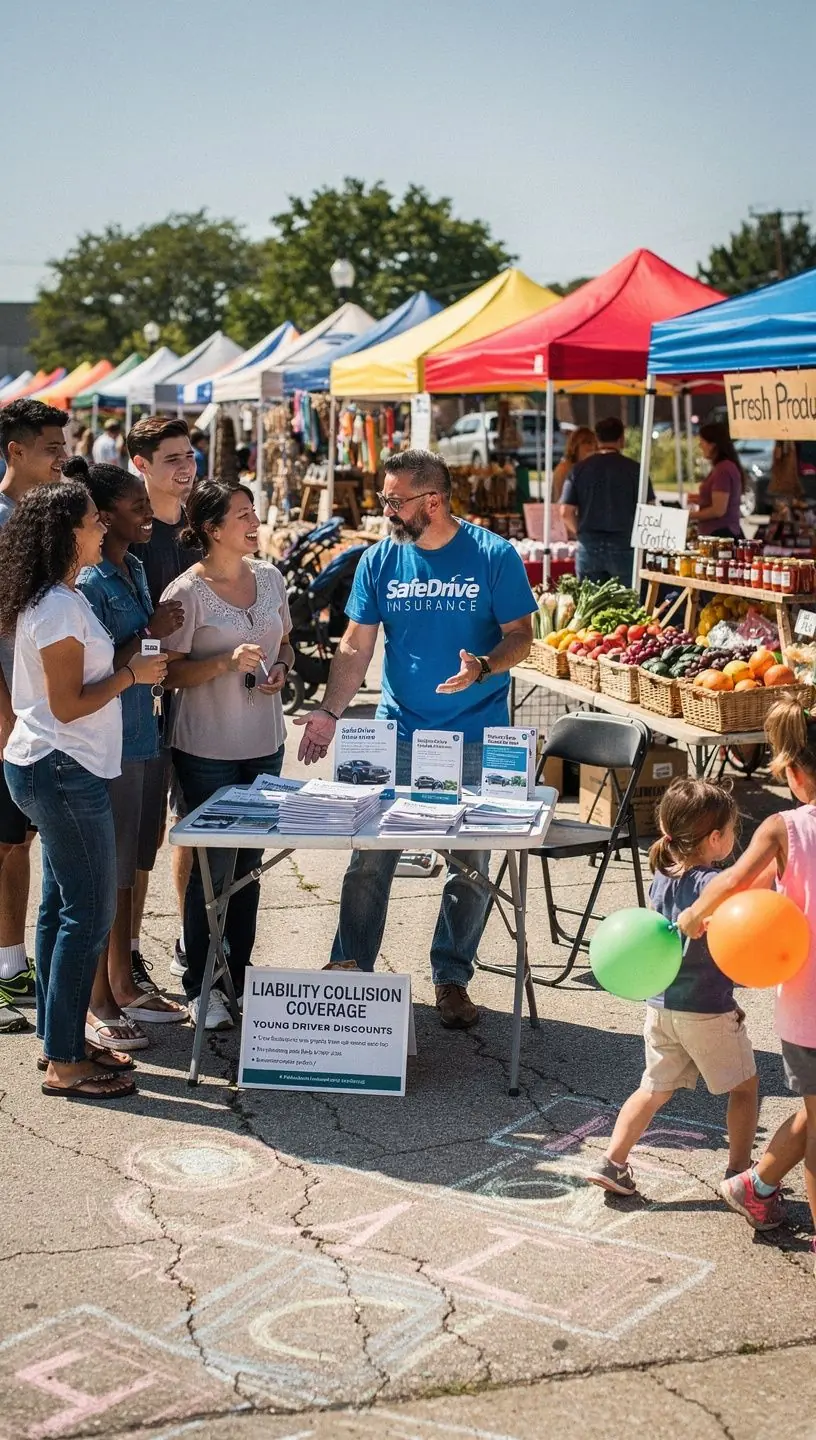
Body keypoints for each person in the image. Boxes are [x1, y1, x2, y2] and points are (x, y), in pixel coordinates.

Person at [296, 449, 536, 1030]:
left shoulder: (493, 555)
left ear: (432, 501)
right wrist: (329, 711)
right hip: (396, 732)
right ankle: (350, 969)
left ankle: (452, 977)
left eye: (394, 500)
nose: (385, 509)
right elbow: (355, 644)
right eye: (385, 498)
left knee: (470, 864)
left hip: (475, 735)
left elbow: (522, 636)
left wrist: (484, 666)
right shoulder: (380, 559)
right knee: (369, 856)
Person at [0, 483, 167, 1099]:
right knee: (89, 913)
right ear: (68, 533)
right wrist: (131, 674)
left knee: (61, 909)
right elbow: (67, 705)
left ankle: (61, 1040)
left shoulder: (62, 597)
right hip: (61, 769)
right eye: (94, 520)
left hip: (61, 768)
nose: (102, 528)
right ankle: (65, 1063)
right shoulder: (57, 607)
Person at [679, 701, 816, 1262]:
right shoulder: (787, 830)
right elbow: (743, 885)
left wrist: (694, 915)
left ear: (793, 773)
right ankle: (758, 1186)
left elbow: (735, 881)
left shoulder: (785, 827)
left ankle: (755, 1185)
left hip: (805, 1007)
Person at [161, 481, 293, 1030]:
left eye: (253, 511)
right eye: (243, 514)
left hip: (265, 746)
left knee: (248, 869)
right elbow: (166, 673)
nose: (254, 520)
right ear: (213, 529)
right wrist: (223, 664)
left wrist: (281, 667)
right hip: (205, 749)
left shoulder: (271, 578)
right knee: (211, 873)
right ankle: (202, 986)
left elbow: (286, 644)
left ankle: (237, 978)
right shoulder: (185, 592)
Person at [585, 779, 757, 1196]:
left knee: (653, 1088)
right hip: (707, 1010)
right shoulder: (710, 884)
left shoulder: (662, 877)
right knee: (745, 1088)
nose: (733, 838)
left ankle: (613, 1161)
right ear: (714, 838)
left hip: (661, 1006)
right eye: (731, 831)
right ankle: (739, 1171)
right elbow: (731, 906)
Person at [69, 458, 187, 1046]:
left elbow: (146, 655)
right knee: (104, 876)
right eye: (136, 506)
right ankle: (96, 1002)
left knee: (129, 869)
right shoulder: (89, 584)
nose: (148, 515)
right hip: (108, 742)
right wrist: (151, 631)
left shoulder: (136, 567)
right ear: (103, 515)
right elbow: (94, 671)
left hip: (145, 734)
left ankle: (121, 982)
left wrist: (159, 637)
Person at [0, 398, 68, 1034]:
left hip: (41, 718)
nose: (62, 458)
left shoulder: (41, 519)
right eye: (51, 448)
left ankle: (10, 964)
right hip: (10, 717)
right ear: (15, 452)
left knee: (17, 843)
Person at [127, 416, 200, 984]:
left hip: (203, 697)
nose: (186, 466)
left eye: (189, 455)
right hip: (144, 701)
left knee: (197, 825)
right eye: (172, 458)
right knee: (141, 836)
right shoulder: (130, 534)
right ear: (141, 465)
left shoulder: (202, 526)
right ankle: (127, 952)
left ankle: (191, 942)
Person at [560, 416, 651, 583]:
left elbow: (565, 512)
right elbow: (649, 509)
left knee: (589, 599)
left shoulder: (579, 469)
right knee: (626, 599)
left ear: (597, 439)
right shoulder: (635, 470)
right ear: (621, 439)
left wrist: (581, 533)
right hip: (624, 545)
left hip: (589, 546)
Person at [690, 422, 744, 539]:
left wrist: (689, 516)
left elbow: (718, 510)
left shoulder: (723, 469)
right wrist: (700, 499)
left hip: (720, 534)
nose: (700, 445)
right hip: (718, 532)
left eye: (702, 441)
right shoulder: (722, 467)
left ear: (712, 445)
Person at [551, 426, 597, 506]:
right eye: (586, 442)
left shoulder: (591, 469)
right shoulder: (564, 469)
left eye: (594, 443)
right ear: (574, 446)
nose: (592, 447)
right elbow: (561, 501)